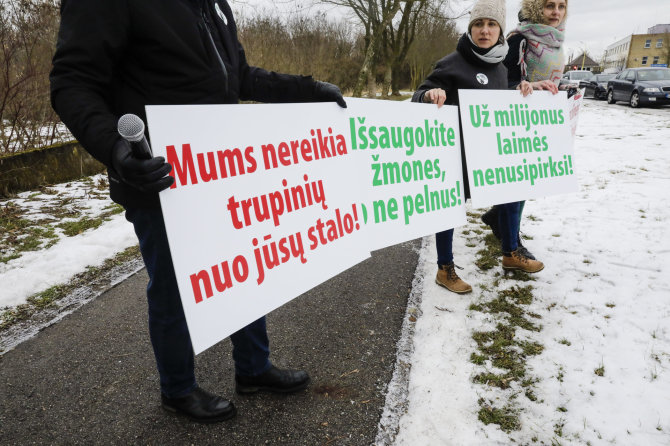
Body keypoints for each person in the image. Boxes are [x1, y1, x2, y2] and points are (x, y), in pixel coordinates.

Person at [50, 0, 347, 424]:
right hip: (156, 176)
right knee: (173, 285)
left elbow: (238, 76)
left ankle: (254, 368)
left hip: (220, 173)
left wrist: (308, 88)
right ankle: (178, 389)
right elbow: (71, 82)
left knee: (243, 266)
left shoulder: (213, 3)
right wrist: (116, 151)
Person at [412, 0, 544, 294]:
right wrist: (429, 94)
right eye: (478, 24)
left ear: (499, 31)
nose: (485, 30)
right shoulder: (451, 63)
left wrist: (519, 90)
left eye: (491, 24)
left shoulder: (499, 66)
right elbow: (418, 94)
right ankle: (444, 269)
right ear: (471, 29)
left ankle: (511, 253)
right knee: (450, 208)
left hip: (488, 154)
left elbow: (494, 102)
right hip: (456, 153)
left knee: (513, 189)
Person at [481, 0, 566, 259]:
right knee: (516, 183)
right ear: (536, 8)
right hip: (514, 120)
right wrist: (527, 85)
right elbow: (504, 81)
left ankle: (499, 217)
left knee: (527, 180)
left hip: (539, 120)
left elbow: (551, 80)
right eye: (549, 5)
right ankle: (512, 243)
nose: (556, 12)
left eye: (561, 6)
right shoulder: (519, 39)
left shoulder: (555, 41)